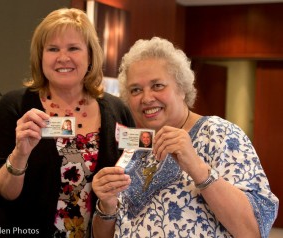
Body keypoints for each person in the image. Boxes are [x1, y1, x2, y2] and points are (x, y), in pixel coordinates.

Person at [91, 37, 279, 238]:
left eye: (157, 86)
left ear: (182, 88)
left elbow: (253, 230)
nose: (146, 98)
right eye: (136, 90)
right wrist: (107, 206)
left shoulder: (220, 134)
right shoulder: (136, 148)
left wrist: (198, 169)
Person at [0, 8, 135, 237]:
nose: (63, 58)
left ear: (90, 56)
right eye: (53, 49)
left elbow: (133, 186)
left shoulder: (117, 110)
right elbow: (1, 194)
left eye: (73, 48)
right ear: (40, 56)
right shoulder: (14, 106)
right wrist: (20, 154)